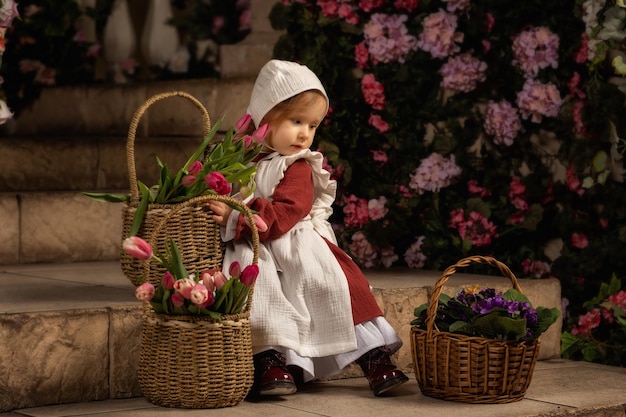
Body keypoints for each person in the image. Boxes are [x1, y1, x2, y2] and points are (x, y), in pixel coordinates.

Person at [208, 59, 408, 397]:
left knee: (332, 285)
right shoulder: (241, 159)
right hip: (256, 244)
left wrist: (243, 219)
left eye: (313, 125)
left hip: (294, 239)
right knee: (260, 291)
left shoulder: (298, 164)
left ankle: (375, 358)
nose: (305, 133)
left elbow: (290, 210)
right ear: (264, 119)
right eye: (296, 121)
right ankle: (271, 360)